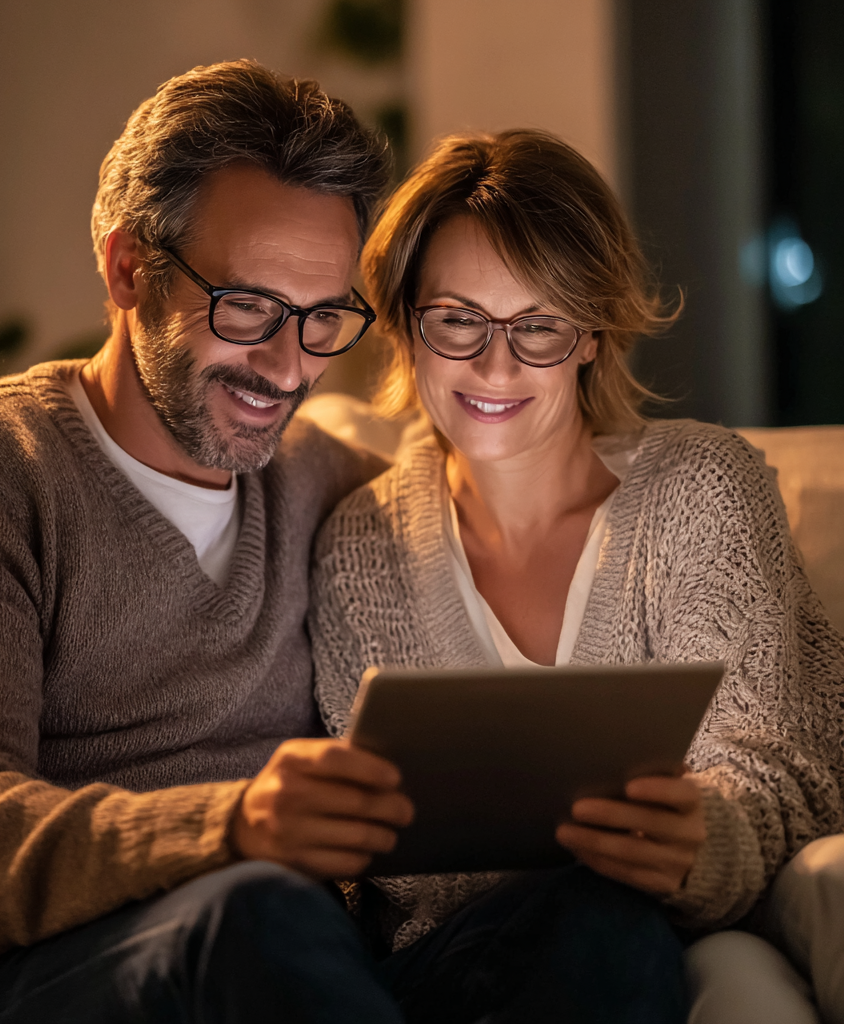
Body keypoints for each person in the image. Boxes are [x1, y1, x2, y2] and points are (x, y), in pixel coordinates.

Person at [0, 65, 687, 1024]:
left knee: (605, 927)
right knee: (260, 917)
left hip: (308, 966)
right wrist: (228, 827)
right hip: (36, 979)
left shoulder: (328, 484)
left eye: (324, 319)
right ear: (126, 269)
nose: (287, 367)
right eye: (247, 308)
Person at [309, 129, 844, 1020]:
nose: (494, 364)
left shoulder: (705, 491)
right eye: (458, 319)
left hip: (682, 933)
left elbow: (780, 769)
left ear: (592, 335)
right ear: (408, 323)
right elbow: (392, 885)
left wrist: (700, 843)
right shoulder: (360, 550)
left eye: (539, 326)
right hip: (473, 968)